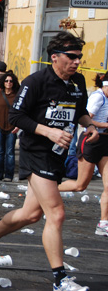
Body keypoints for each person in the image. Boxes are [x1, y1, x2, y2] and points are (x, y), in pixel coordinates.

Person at [0, 32, 98, 291]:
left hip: (58, 155)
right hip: (35, 152)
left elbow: (80, 110)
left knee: (30, 215)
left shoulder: (78, 82)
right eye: (71, 57)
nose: (76, 62)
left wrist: (90, 125)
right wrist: (47, 131)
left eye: (79, 57)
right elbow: (16, 116)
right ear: (55, 57)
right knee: (57, 213)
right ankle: (61, 279)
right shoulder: (36, 81)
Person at [58, 72, 108, 237]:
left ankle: (103, 223)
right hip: (91, 141)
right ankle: (47, 190)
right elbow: (87, 119)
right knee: (81, 185)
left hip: (105, 142)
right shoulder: (98, 97)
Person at [0, 71, 20, 181]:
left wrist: (18, 125)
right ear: (3, 82)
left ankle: (9, 175)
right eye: (6, 81)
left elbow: (20, 111)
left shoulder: (17, 96)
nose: (9, 83)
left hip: (12, 127)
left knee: (10, 153)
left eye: (11, 81)